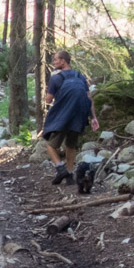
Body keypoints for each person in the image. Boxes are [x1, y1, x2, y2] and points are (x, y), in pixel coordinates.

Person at [39, 50, 99, 193]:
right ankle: (70, 175)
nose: (53, 62)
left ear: (63, 61)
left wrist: (47, 99)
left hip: (63, 114)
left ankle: (60, 168)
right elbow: (89, 99)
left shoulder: (56, 78)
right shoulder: (81, 76)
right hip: (79, 115)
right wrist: (94, 117)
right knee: (71, 145)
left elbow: (48, 100)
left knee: (51, 145)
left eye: (55, 60)